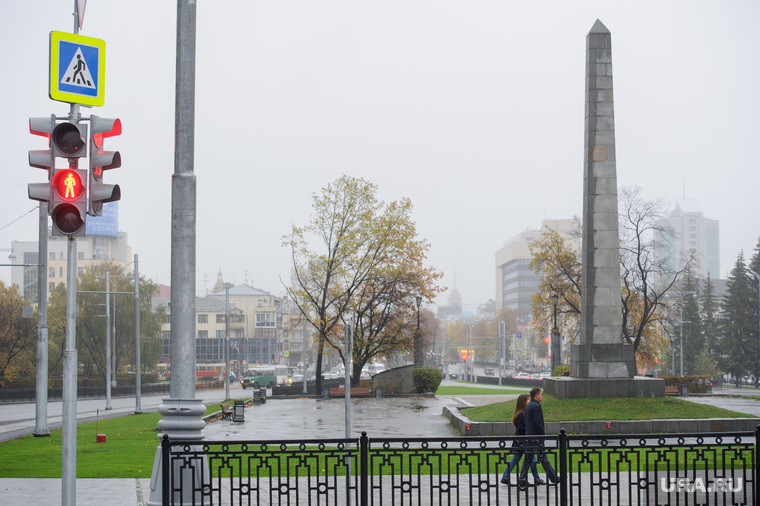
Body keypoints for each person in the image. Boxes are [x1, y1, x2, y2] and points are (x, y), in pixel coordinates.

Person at [519, 387, 557, 485]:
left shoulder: (529, 405)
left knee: (529, 458)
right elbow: (538, 422)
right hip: (536, 437)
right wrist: (542, 434)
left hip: (529, 436)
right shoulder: (536, 406)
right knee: (543, 458)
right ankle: (553, 478)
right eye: (540, 394)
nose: (542, 396)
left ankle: (522, 478)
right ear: (536, 395)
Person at [501, 394, 540, 485]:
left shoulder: (522, 413)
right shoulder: (521, 414)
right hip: (522, 441)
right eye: (528, 400)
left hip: (521, 441)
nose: (529, 401)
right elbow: (521, 429)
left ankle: (537, 479)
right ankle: (505, 476)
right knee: (527, 459)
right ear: (523, 402)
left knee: (529, 459)